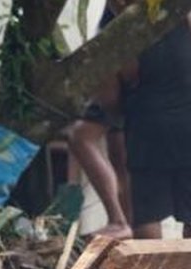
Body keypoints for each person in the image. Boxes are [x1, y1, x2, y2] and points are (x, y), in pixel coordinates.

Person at [67, 1, 191, 239]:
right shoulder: (188, 20)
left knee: (147, 218)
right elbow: (190, 72)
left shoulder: (116, 43)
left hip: (149, 139)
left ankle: (133, 245)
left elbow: (111, 103)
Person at [67, 0, 131, 237]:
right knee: (119, 152)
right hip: (125, 75)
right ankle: (125, 223)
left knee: (81, 136)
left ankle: (120, 221)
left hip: (121, 74)